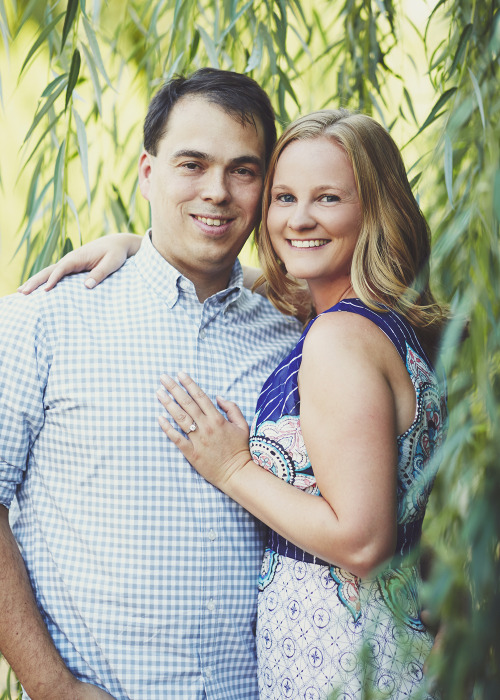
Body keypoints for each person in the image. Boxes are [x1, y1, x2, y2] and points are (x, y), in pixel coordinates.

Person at [0, 69, 301, 700]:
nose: (217, 191)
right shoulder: (42, 320)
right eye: (192, 163)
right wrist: (52, 687)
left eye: (244, 170)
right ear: (147, 172)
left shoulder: (299, 340)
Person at [152, 109, 449, 699]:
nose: (299, 218)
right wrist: (142, 250)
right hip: (380, 649)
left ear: (375, 211)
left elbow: (363, 541)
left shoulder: (339, 340)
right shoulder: (383, 324)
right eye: (284, 197)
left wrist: (232, 468)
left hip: (337, 664)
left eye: (329, 198)